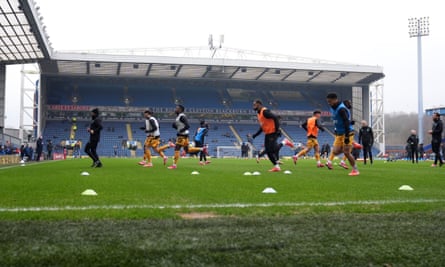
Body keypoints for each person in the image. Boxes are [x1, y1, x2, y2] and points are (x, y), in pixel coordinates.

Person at [325, 93, 359, 176]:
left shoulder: (341, 109)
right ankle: (351, 145)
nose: (329, 103)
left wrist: (347, 136)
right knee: (335, 152)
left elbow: (346, 123)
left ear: (335, 100)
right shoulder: (332, 108)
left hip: (347, 132)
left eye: (330, 101)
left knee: (346, 152)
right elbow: (339, 121)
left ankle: (355, 170)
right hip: (339, 133)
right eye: (328, 102)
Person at [251, 99, 290, 172]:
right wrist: (255, 135)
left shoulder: (265, 112)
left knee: (270, 150)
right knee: (269, 151)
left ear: (259, 105)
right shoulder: (259, 114)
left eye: (255, 105)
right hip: (268, 134)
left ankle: (284, 142)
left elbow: (275, 117)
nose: (253, 106)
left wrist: (277, 130)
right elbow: (262, 127)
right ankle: (277, 167)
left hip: (273, 133)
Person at [168, 105, 207, 169]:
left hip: (182, 135)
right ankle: (201, 149)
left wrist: (181, 130)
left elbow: (187, 126)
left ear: (180, 109)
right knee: (187, 150)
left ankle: (174, 165)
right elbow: (180, 126)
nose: (175, 109)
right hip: (185, 135)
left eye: (177, 108)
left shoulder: (182, 116)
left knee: (177, 149)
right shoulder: (179, 117)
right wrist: (175, 126)